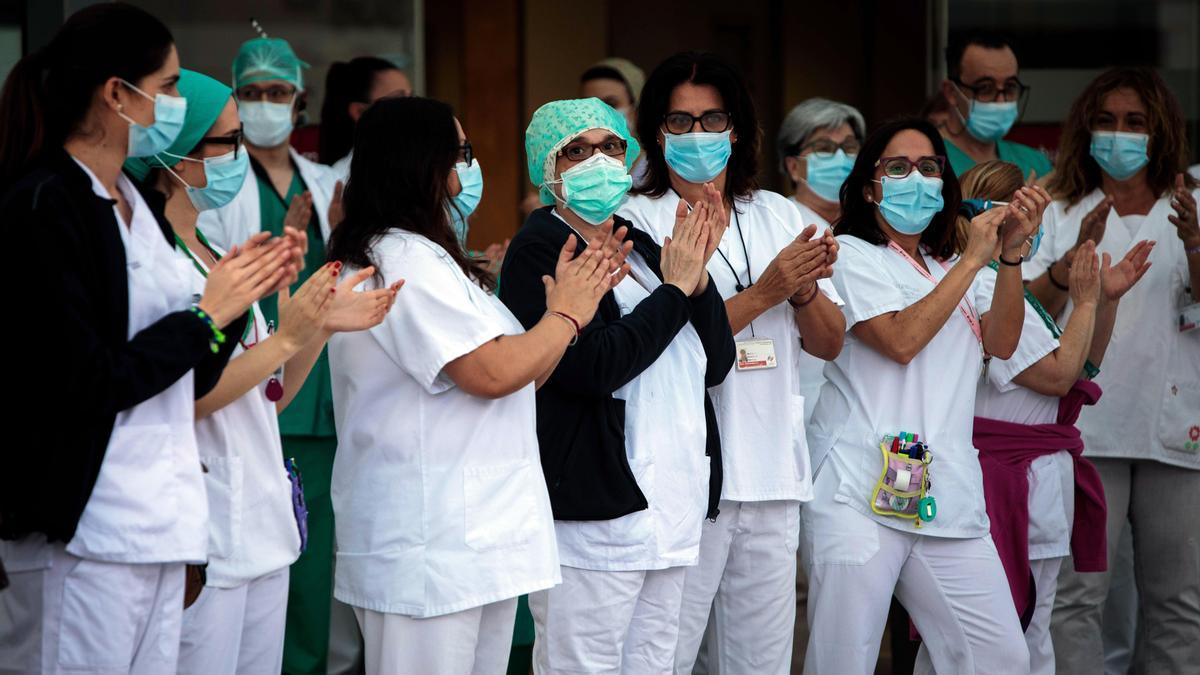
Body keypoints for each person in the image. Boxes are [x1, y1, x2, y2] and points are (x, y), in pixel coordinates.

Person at [0, 5, 295, 672]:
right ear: (115, 94)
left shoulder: (137, 208)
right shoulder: (44, 204)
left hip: (160, 527)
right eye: (165, 88)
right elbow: (85, 379)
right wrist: (205, 317)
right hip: (80, 535)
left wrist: (236, 302)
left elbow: (184, 372)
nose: (172, 103)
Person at [325, 95, 620, 675]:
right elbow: (489, 373)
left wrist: (566, 311)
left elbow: (522, 373)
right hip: (429, 544)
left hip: (475, 537)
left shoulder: (438, 256)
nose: (469, 166)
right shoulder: (397, 256)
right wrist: (566, 315)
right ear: (421, 162)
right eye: (460, 152)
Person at [123, 67, 402, 674]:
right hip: (202, 534)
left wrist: (316, 328)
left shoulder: (216, 258)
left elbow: (268, 397)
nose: (240, 157)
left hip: (261, 531)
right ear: (177, 155)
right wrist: (287, 339)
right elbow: (183, 397)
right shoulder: (152, 267)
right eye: (227, 142)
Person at [614, 52, 844, 675]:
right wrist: (767, 292)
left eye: (711, 120)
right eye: (679, 122)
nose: (697, 136)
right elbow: (664, 341)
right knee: (664, 658)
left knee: (760, 664)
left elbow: (829, 341)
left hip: (771, 474)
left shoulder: (780, 214)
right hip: (685, 480)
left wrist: (801, 292)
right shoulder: (635, 221)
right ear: (655, 134)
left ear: (736, 128)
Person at [499, 96, 736, 674]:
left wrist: (697, 281)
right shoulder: (540, 249)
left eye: (610, 147)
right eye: (576, 151)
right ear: (547, 170)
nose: (599, 161)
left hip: (670, 501)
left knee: (657, 665)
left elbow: (715, 363)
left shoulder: (640, 240)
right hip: (596, 507)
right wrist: (675, 294)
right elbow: (589, 368)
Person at [801, 117, 1045, 673]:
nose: (917, 176)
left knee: (1000, 656)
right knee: (845, 659)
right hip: (858, 490)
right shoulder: (850, 254)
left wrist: (1009, 256)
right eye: (898, 166)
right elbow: (900, 341)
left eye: (929, 166)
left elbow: (1004, 343)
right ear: (870, 187)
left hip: (945, 492)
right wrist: (973, 261)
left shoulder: (951, 263)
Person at [1024, 66, 1200, 674]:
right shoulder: (1058, 206)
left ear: (1161, 133)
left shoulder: (1193, 205)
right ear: (1084, 130)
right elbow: (1020, 316)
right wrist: (1068, 266)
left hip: (1174, 427)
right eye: (1105, 122)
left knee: (1177, 602)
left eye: (1134, 123)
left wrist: (1197, 246)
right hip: (1085, 432)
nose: (1118, 136)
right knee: (1076, 598)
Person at [195, 35, 355, 675]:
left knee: (311, 553)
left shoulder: (326, 180)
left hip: (313, 378)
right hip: (253, 375)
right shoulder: (213, 182)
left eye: (277, 93)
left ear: (300, 102)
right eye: (252, 93)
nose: (264, 105)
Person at [957, 159, 1152, 675]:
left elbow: (1084, 364)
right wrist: (1084, 301)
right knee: (999, 633)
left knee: (1033, 627)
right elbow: (1058, 377)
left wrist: (1104, 302)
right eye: (1031, 212)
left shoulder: (1009, 285)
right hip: (1008, 479)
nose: (1038, 228)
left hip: (1041, 474)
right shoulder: (982, 288)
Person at [939, 30, 1052, 180]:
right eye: (985, 88)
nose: (1001, 101)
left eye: (1010, 87)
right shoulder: (927, 161)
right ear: (951, 92)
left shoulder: (1035, 164)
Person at [319, 56, 412, 178]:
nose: (412, 107)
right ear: (359, 112)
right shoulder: (339, 179)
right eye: (400, 99)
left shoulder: (418, 164)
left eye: (412, 97)